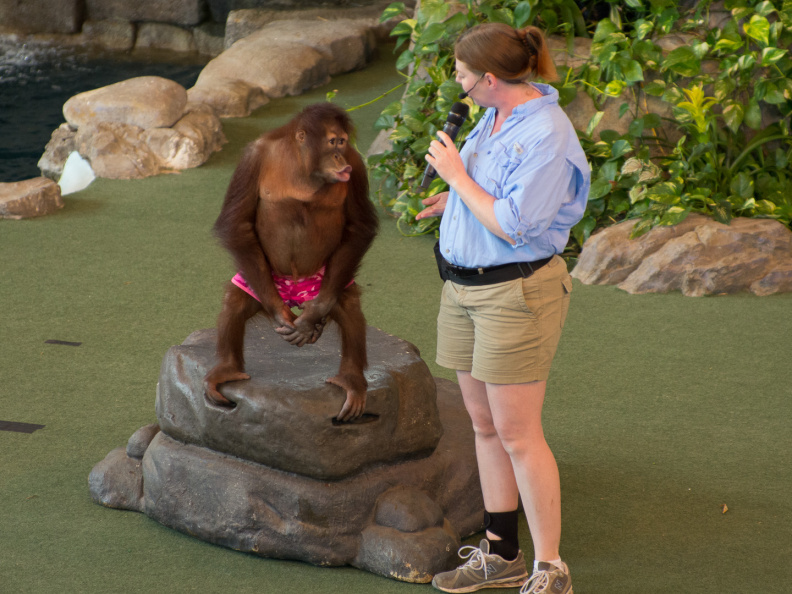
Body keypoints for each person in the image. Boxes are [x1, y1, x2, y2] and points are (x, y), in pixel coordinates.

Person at [415, 22, 590, 594]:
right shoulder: (494, 115)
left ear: (490, 79)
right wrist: (455, 201)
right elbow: (496, 196)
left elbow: (516, 226)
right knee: (484, 425)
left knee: (518, 434)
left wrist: (458, 177)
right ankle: (501, 553)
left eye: (463, 75)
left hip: (514, 294)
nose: (457, 84)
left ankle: (551, 569)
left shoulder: (549, 134)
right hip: (463, 289)